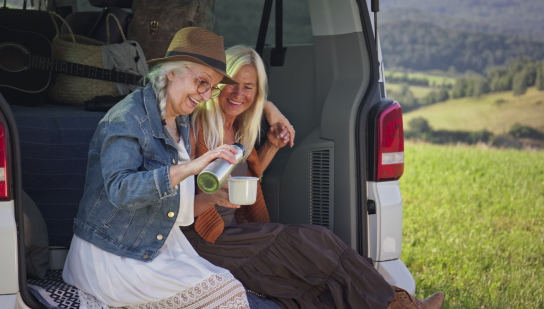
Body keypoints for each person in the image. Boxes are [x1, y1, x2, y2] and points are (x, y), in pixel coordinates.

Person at [184, 45, 445, 309]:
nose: (239, 93)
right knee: (312, 241)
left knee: (319, 247)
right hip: (209, 237)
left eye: (249, 87)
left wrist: (272, 143)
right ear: (218, 83)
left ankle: (395, 301)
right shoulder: (197, 127)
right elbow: (180, 199)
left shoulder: (239, 128)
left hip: (235, 230)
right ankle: (398, 303)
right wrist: (268, 107)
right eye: (232, 84)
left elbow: (247, 176)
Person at [62, 27, 252, 308]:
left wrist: (211, 198)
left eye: (212, 88)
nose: (205, 95)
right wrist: (191, 167)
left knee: (227, 287)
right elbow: (120, 189)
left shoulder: (181, 118)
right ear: (171, 72)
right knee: (228, 294)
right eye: (202, 82)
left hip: (158, 245)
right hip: (113, 254)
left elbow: (177, 210)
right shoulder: (127, 118)